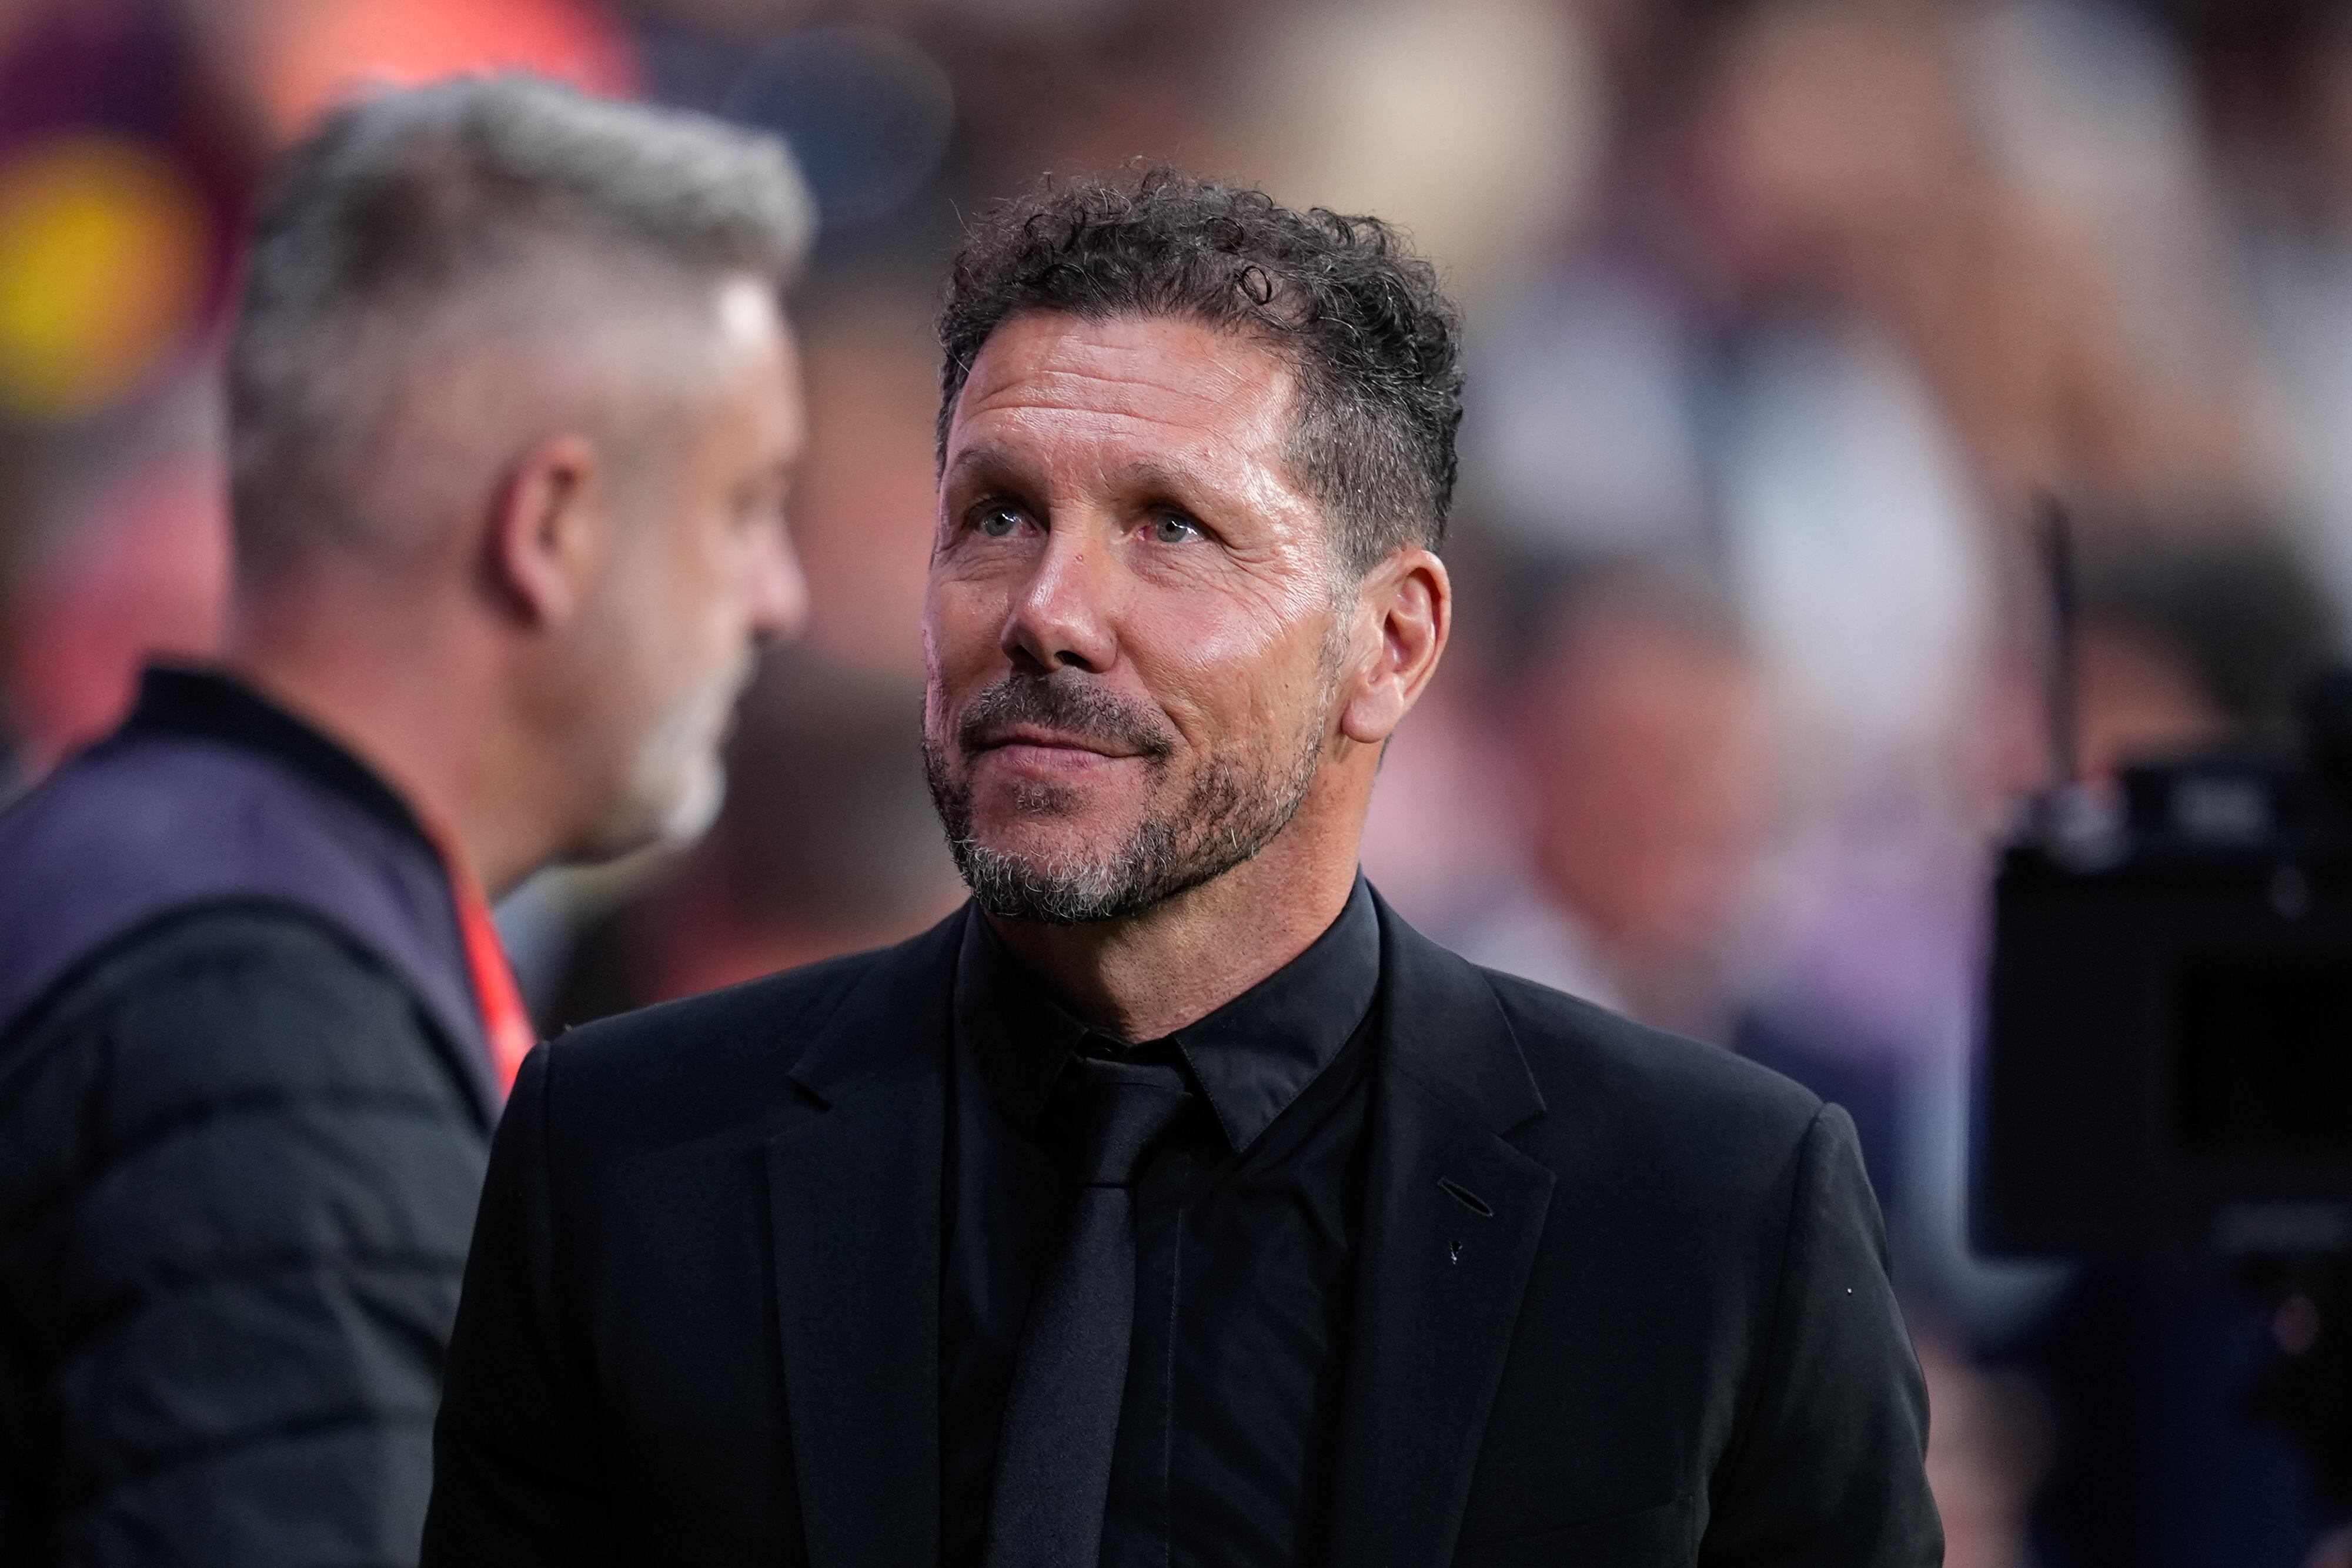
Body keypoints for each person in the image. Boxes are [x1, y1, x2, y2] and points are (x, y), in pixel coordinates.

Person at [423, 171, 1941, 1567]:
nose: (1047, 610)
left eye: (1171, 527)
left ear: (1392, 642)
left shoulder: (1712, 1207)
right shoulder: (627, 1156)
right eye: (997, 513)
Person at [0, 76, 812, 1566]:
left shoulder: (129, 873)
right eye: (747, 506)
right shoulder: (267, 1029)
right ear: (550, 525)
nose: (780, 596)